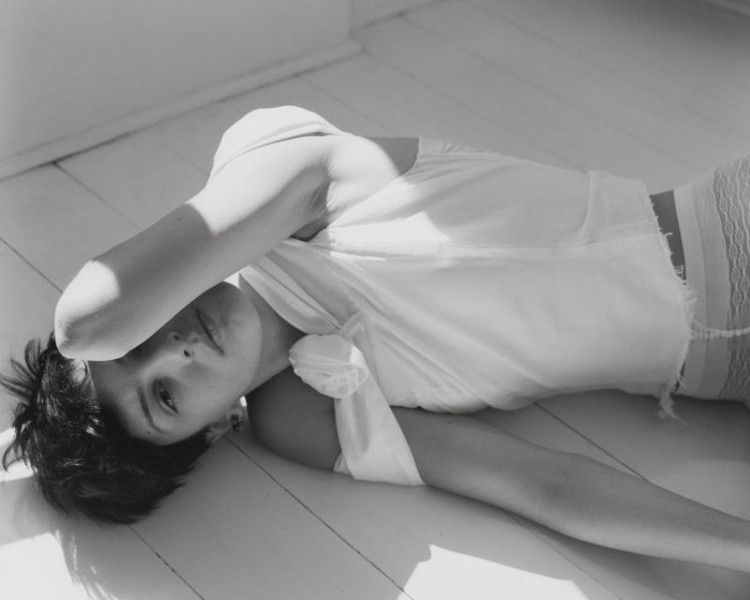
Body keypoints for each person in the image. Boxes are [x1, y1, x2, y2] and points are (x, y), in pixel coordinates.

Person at [3, 106, 750, 570]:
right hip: (727, 373)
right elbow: (539, 483)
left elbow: (86, 322)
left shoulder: (278, 181)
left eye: (137, 342)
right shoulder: (296, 417)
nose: (177, 349)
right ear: (215, 427)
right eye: (166, 396)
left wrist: (81, 342)